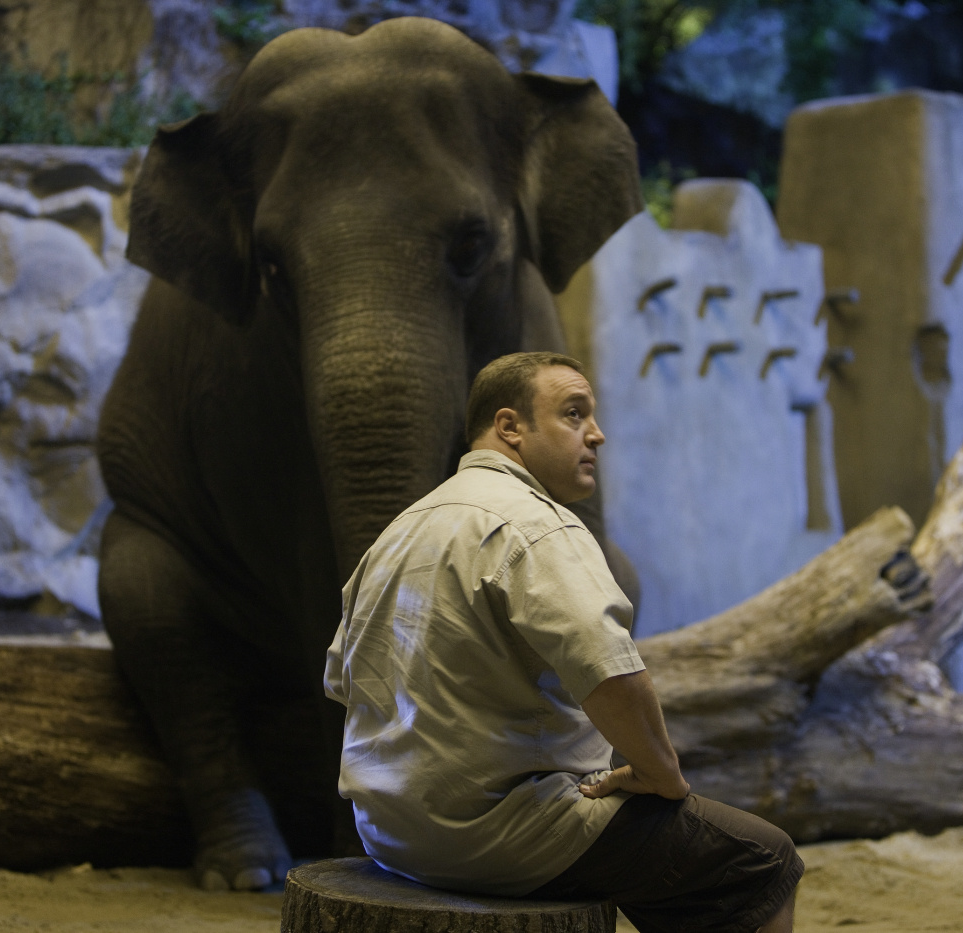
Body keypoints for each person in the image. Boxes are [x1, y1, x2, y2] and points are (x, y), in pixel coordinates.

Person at [324, 351, 803, 933]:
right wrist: (661, 775)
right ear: (510, 428)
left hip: (388, 832)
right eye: (574, 414)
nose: (596, 435)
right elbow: (609, 672)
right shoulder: (536, 524)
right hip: (503, 834)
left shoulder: (400, 531)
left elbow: (342, 680)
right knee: (763, 859)